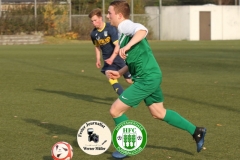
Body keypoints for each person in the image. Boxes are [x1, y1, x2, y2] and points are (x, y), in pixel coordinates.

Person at [106, 1, 206, 159]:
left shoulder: (126, 25)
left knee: (115, 110)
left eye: (109, 12)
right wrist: (120, 72)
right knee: (158, 113)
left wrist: (127, 46)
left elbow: (142, 30)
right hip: (149, 77)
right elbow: (134, 58)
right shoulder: (122, 32)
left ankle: (126, 146)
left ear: (119, 15)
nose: (107, 15)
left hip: (146, 79)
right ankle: (197, 131)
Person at [88, 8, 132, 96]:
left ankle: (147, 88)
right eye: (92, 21)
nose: (93, 23)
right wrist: (98, 59)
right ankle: (123, 97)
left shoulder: (110, 28)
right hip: (108, 61)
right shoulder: (93, 34)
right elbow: (97, 46)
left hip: (119, 58)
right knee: (110, 76)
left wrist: (112, 58)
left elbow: (117, 45)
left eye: (95, 20)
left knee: (129, 80)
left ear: (100, 18)